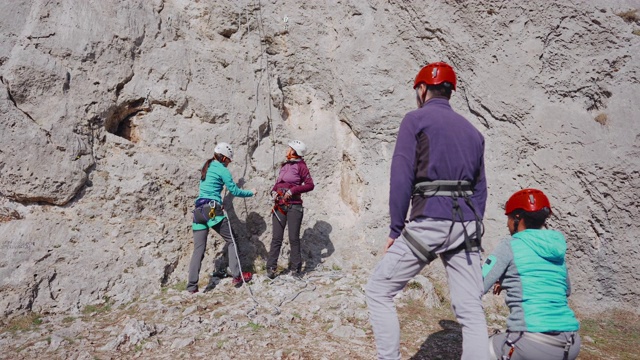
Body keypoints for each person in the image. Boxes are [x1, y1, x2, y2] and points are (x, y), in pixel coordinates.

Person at [365, 61, 489, 360]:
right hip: (467, 225)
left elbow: (401, 176)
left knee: (378, 291)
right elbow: (481, 188)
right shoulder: (474, 132)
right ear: (450, 91)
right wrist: (472, 224)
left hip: (430, 220)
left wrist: (396, 228)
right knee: (471, 308)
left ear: (422, 89)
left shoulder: (415, 120)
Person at [483, 188, 581, 360]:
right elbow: (566, 291)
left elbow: (478, 283)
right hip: (570, 344)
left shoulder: (509, 245)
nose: (507, 224)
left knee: (478, 350)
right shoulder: (556, 250)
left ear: (517, 218)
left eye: (509, 218)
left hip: (531, 343)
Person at [187, 142, 256, 293]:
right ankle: (237, 275)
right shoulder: (222, 169)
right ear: (224, 158)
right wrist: (251, 192)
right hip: (211, 209)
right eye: (229, 161)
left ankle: (192, 287)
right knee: (232, 240)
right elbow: (235, 191)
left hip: (198, 212)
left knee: (198, 249)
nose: (229, 164)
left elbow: (208, 190)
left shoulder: (208, 166)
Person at [266, 140, 315, 279]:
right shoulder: (285, 165)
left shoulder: (301, 166)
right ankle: (271, 268)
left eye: (290, 148)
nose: (287, 150)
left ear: (295, 151)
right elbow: (278, 183)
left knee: (293, 238)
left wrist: (293, 190)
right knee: (276, 238)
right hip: (280, 204)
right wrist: (274, 191)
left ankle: (296, 269)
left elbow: (310, 185)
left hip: (294, 205)